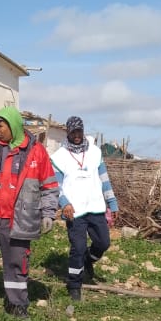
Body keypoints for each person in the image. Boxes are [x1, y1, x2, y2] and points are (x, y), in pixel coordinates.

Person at [0, 106, 59, 318]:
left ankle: (16, 304)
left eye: (0, 125)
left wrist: (48, 213)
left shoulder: (36, 152)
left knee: (16, 261)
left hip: (19, 219)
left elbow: (49, 186)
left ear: (13, 126)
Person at [50, 116, 118, 303]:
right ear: (68, 133)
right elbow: (56, 186)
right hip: (74, 211)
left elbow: (104, 180)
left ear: (83, 131)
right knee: (78, 248)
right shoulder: (59, 157)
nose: (77, 135)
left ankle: (88, 260)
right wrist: (64, 203)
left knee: (103, 243)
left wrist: (112, 202)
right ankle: (74, 285)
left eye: (79, 131)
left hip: (95, 207)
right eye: (73, 132)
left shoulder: (95, 152)